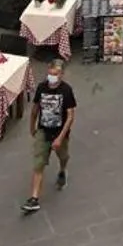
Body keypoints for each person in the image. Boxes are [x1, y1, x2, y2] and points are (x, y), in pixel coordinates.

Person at [22, 57, 77, 213]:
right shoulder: (41, 88)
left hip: (59, 132)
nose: (52, 77)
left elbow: (70, 116)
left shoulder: (66, 91)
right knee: (38, 164)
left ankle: (62, 170)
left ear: (61, 75)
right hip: (43, 130)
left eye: (55, 74)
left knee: (63, 156)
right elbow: (35, 109)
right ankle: (34, 198)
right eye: (50, 73)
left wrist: (60, 137)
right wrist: (32, 127)